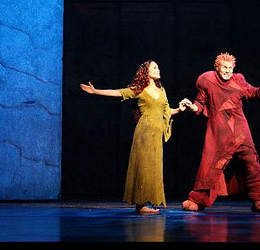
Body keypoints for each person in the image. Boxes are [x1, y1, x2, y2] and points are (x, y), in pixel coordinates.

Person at [80, 60, 187, 214]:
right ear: (146, 72)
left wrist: (179, 109)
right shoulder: (139, 89)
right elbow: (119, 92)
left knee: (154, 167)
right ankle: (140, 204)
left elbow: (166, 111)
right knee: (143, 166)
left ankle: (146, 202)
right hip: (144, 133)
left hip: (157, 134)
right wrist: (96, 91)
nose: (158, 69)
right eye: (154, 67)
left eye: (158, 67)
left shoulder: (162, 90)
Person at [179, 52, 260, 213]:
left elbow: (251, 92)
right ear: (217, 67)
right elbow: (200, 103)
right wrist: (192, 107)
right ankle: (197, 200)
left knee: (251, 163)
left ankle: (259, 199)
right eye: (224, 67)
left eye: (230, 68)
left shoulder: (238, 80)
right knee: (211, 166)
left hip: (240, 132)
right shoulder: (207, 80)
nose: (228, 71)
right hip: (219, 133)